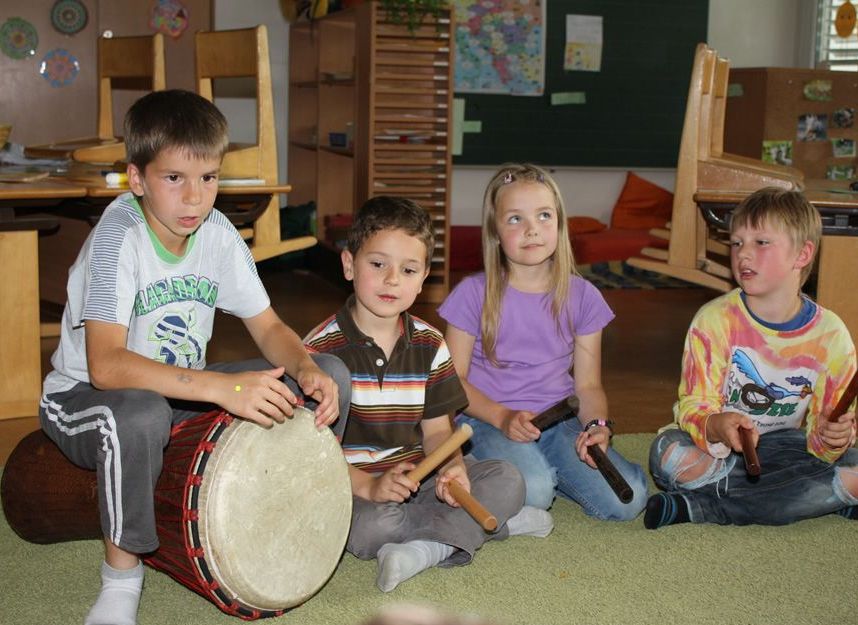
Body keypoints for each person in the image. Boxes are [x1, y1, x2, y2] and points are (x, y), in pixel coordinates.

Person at [38, 89, 351, 625]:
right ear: (137, 179)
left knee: (333, 375)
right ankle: (121, 575)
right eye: (174, 178)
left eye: (208, 178)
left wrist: (304, 367)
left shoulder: (217, 233)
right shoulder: (118, 239)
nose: (194, 197)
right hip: (86, 399)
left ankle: (288, 515)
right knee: (137, 417)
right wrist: (221, 389)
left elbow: (270, 328)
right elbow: (107, 367)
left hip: (180, 393)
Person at [305, 196, 553, 593]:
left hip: (421, 482)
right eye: (377, 264)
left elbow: (438, 431)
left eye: (407, 270)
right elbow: (312, 456)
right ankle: (488, 526)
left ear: (422, 280)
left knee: (507, 477)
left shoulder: (430, 343)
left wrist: (451, 465)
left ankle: (426, 548)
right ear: (349, 264)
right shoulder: (319, 352)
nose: (392, 280)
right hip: (358, 488)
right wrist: (370, 487)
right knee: (370, 528)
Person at [438, 162, 647, 518]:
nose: (532, 230)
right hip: (488, 418)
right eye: (515, 219)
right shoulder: (472, 294)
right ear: (495, 232)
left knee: (630, 501)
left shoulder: (583, 296)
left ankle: (546, 467)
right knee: (535, 491)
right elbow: (451, 381)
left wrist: (596, 426)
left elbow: (589, 385)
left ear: (560, 223)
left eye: (544, 216)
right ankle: (483, 462)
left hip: (558, 419)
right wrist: (502, 416)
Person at [645, 187, 858, 529]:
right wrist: (717, 425)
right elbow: (694, 404)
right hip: (720, 453)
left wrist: (834, 436)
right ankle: (824, 498)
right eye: (737, 243)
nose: (744, 253)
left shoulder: (832, 336)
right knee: (667, 453)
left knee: (849, 459)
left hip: (787, 448)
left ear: (802, 255)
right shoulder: (713, 320)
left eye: (761, 242)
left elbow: (823, 440)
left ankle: (701, 508)